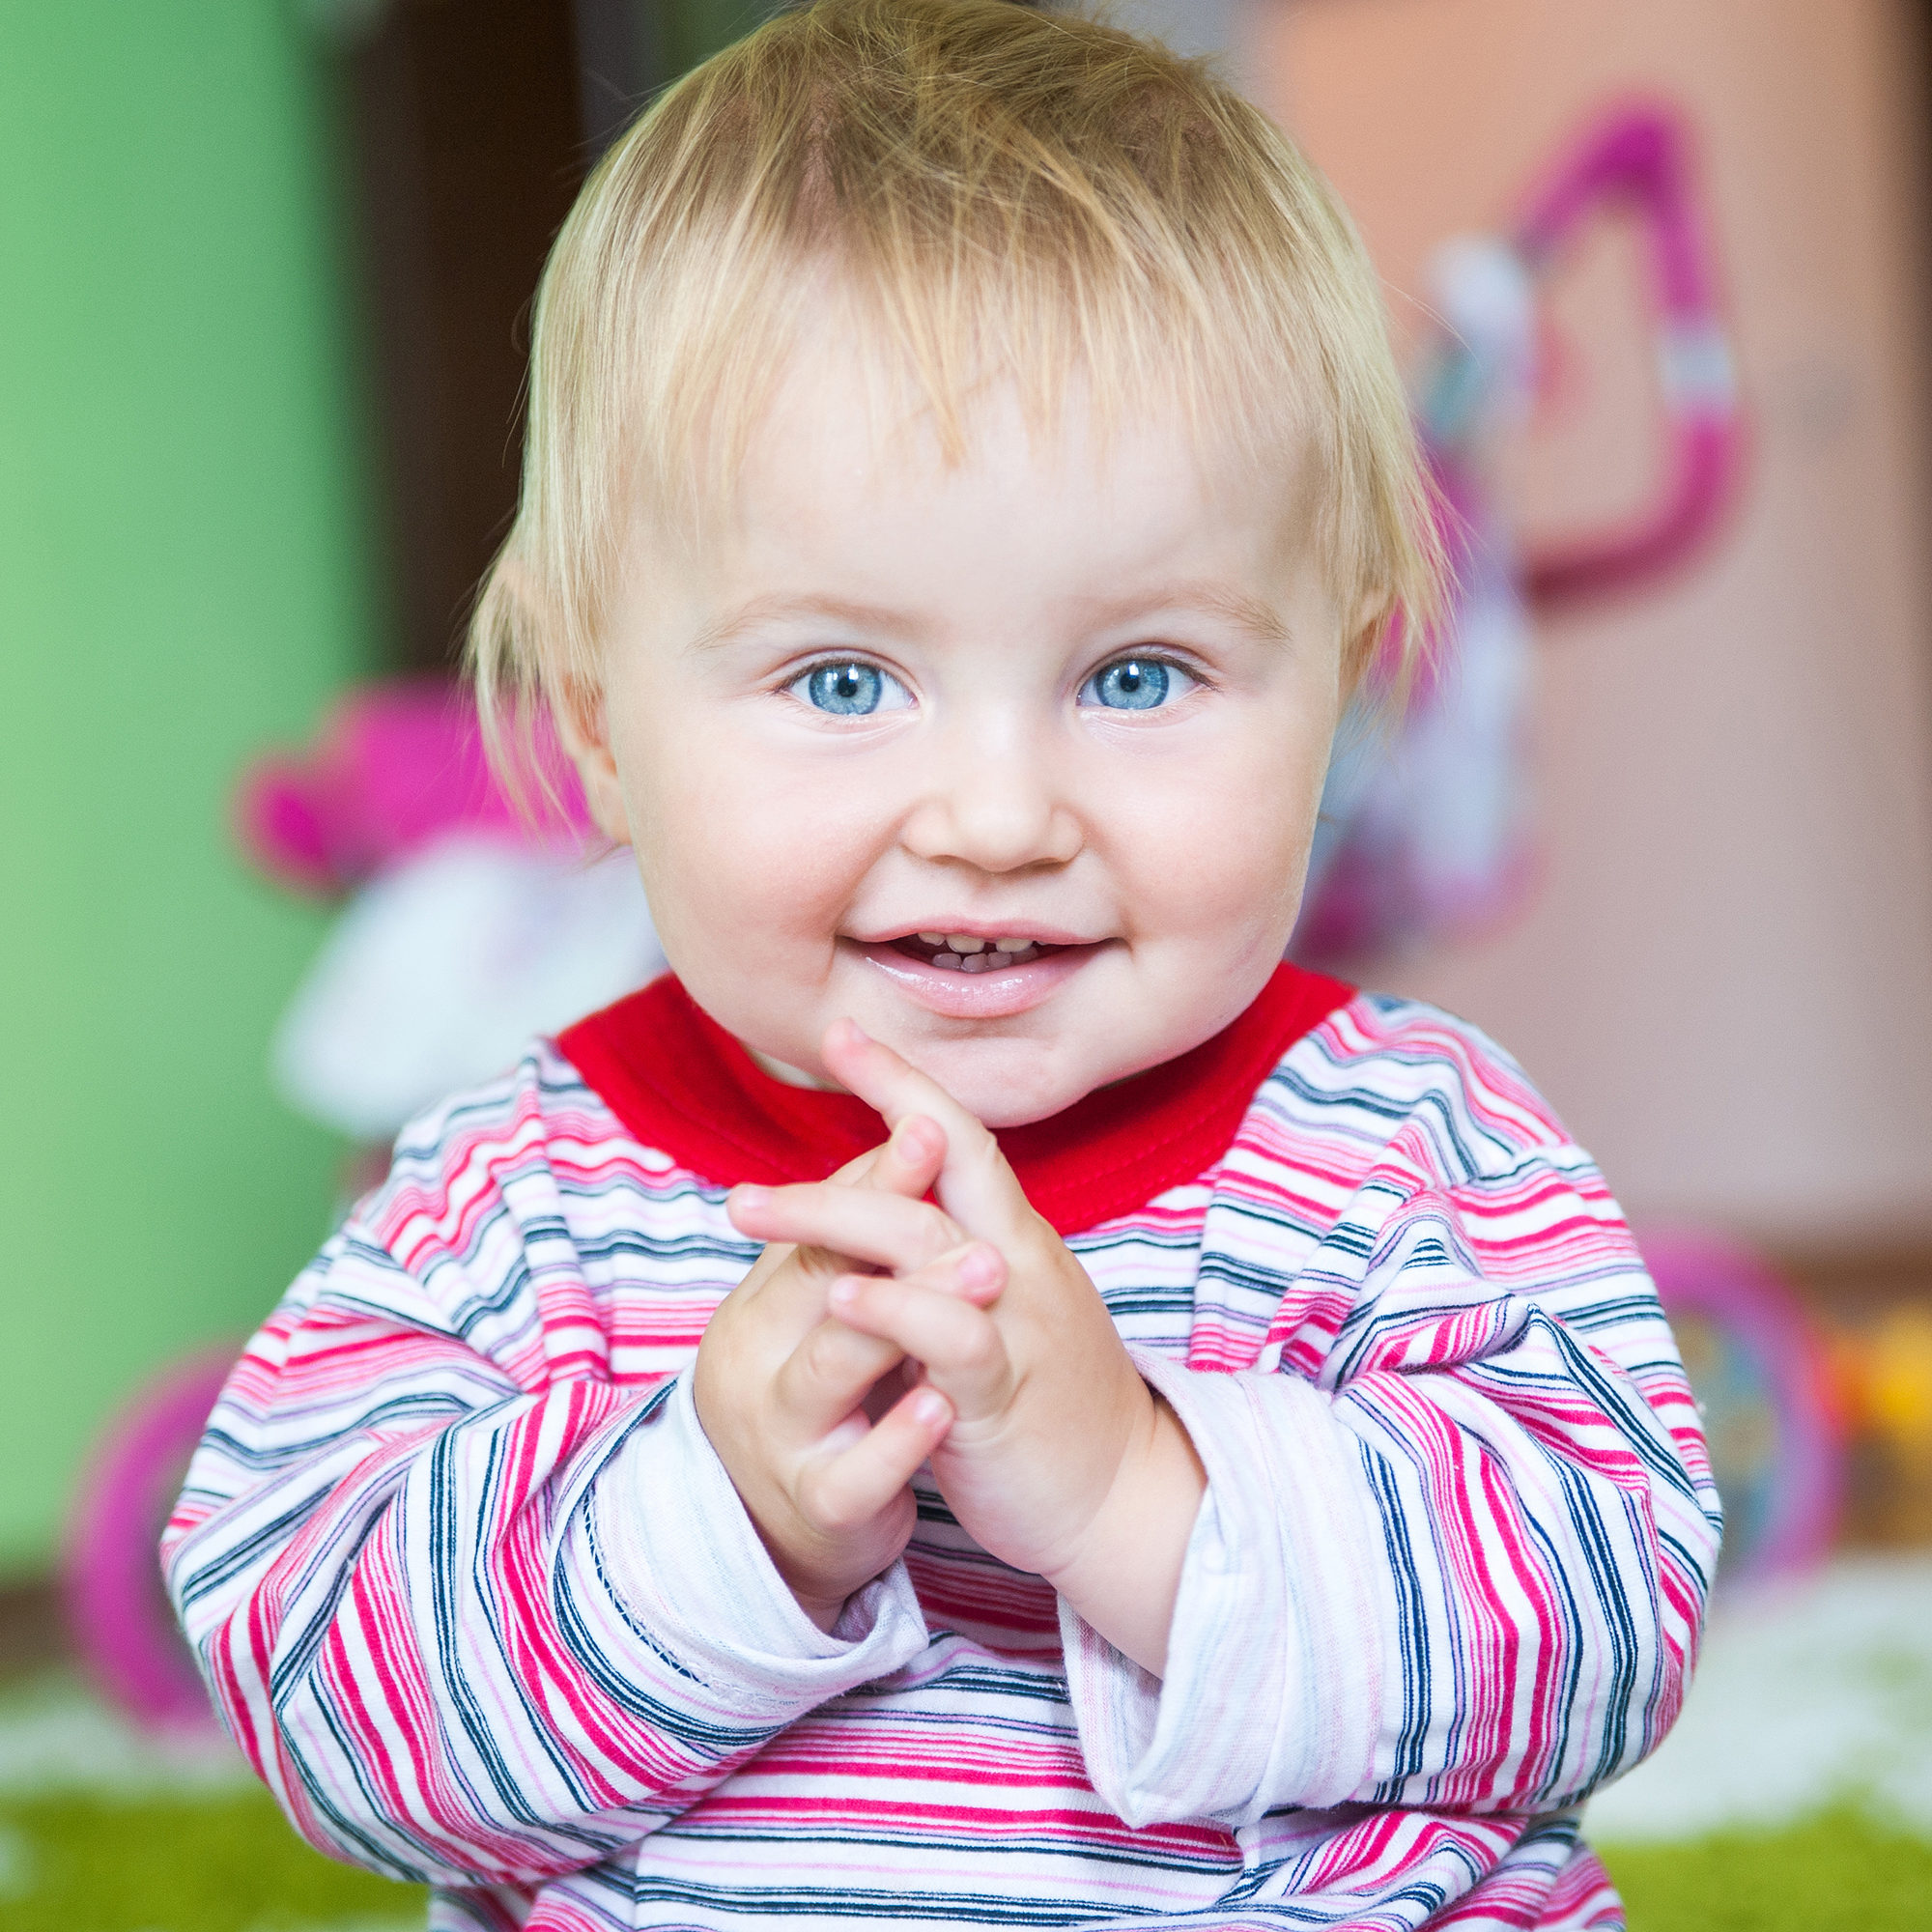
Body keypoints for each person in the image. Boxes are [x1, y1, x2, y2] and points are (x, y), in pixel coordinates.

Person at [163, 4, 1719, 1927]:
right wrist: (711, 1513)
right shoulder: (508, 1203)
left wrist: (1130, 1489)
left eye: (1137, 674)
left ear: (1348, 679)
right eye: (839, 680)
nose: (994, 815)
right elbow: (322, 1701)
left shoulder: (1413, 1151)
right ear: (601, 721)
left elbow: (1603, 1625)